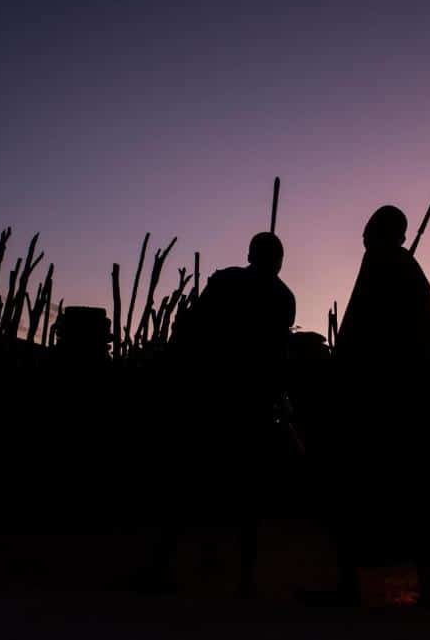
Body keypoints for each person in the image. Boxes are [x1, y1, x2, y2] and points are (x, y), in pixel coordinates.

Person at [303, 205, 430, 608]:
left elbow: (401, 339)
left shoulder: (394, 267)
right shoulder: (393, 266)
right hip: (389, 400)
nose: (364, 233)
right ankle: (416, 585)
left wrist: (363, 376)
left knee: (377, 486)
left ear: (386, 232)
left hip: (384, 403)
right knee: (395, 489)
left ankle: (377, 585)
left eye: (370, 227)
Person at [143, 231, 296, 595]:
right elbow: (196, 332)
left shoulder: (242, 286)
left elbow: (191, 331)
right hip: (228, 399)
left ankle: (173, 565)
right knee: (229, 489)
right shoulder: (273, 295)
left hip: (227, 399)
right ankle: (238, 576)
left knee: (200, 483)